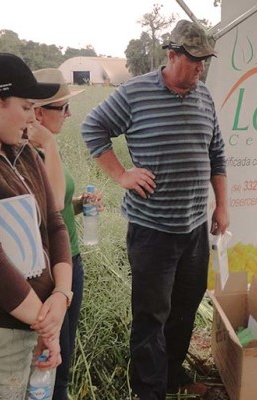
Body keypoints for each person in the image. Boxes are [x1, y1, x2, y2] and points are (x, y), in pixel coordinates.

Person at [81, 20, 228, 399]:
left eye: (204, 62)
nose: (200, 69)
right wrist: (122, 175)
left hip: (194, 228)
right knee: (151, 316)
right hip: (152, 232)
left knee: (185, 308)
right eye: (193, 61)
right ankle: (149, 391)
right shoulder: (134, 93)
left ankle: (170, 373)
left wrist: (222, 206)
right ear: (172, 54)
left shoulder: (205, 97)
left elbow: (217, 154)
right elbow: (92, 127)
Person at [0, 51, 72, 397]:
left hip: (31, 322)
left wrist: (61, 294)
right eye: (27, 107)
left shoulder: (24, 153)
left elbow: (55, 225)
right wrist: (46, 323)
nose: (32, 118)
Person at [30, 68, 102, 400]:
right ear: (38, 112)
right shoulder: (31, 152)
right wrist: (47, 144)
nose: (69, 114)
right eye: (62, 107)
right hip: (51, 270)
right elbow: (51, 205)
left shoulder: (46, 149)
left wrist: (80, 203)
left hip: (69, 261)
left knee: (65, 353)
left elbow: (56, 207)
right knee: (52, 362)